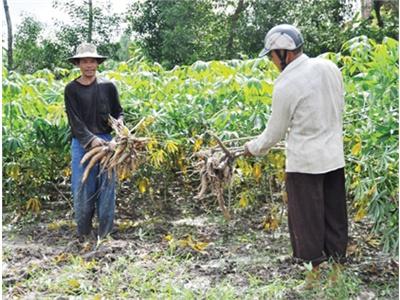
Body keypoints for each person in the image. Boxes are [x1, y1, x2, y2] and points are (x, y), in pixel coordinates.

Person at [244, 24, 348, 270]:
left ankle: (313, 270)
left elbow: (275, 133)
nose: (271, 60)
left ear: (284, 53)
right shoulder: (329, 67)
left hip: (305, 164)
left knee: (306, 220)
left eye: (271, 55)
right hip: (334, 157)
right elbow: (339, 106)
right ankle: (337, 265)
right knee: (335, 214)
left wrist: (253, 147)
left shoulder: (286, 83)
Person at [64, 43, 123, 241]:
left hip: (108, 143)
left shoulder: (108, 86)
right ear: (78, 64)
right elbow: (75, 122)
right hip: (82, 144)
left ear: (97, 63)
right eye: (84, 61)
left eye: (92, 61)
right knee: (82, 188)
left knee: (107, 188)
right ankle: (84, 232)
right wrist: (91, 140)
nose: (89, 65)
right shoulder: (71, 89)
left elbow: (118, 113)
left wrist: (118, 130)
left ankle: (105, 233)